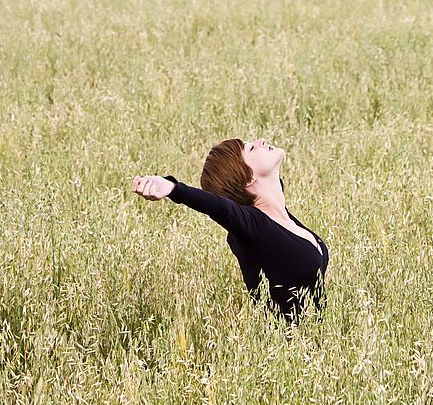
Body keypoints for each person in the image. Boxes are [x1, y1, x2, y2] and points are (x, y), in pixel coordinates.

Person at [132, 137, 329, 325]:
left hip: (321, 347)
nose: (260, 141)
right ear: (248, 178)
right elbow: (222, 209)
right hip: (289, 351)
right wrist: (174, 189)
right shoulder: (253, 229)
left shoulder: (280, 215)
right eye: (251, 148)